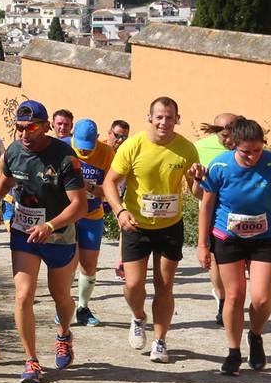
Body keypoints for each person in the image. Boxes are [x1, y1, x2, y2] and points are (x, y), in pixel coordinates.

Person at [0, 100, 88, 383]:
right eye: (19, 128)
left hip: (58, 233)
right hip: (24, 232)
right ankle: (31, 360)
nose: (24, 134)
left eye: (31, 127)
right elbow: (1, 188)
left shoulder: (64, 157)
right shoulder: (13, 152)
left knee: (61, 297)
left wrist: (50, 225)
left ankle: (64, 334)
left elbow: (79, 206)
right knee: (23, 295)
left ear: (46, 126)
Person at [102, 97, 206, 364]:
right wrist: (120, 211)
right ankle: (138, 317)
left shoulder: (186, 149)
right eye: (159, 117)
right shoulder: (133, 145)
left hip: (170, 226)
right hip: (136, 225)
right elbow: (109, 183)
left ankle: (160, 341)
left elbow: (197, 193)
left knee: (165, 286)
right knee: (133, 285)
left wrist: (197, 180)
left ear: (176, 119)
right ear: (149, 118)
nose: (164, 122)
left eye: (169, 117)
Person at [197, 117, 271, 374]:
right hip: (227, 237)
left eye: (257, 150)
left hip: (264, 238)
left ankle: (255, 335)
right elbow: (206, 206)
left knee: (262, 299)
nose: (252, 157)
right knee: (234, 295)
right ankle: (233, 351)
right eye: (245, 152)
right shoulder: (219, 166)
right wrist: (202, 244)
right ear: (233, 146)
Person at [67, 118, 115, 326]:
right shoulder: (62, 147)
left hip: (92, 216)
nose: (84, 153)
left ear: (97, 139)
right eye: (80, 148)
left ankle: (83, 308)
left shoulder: (107, 153)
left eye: (88, 148)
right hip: (67, 216)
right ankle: (64, 306)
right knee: (67, 263)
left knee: (89, 264)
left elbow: (111, 189)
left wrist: (90, 188)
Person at [194, 112, 240, 325]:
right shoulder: (200, 148)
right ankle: (223, 299)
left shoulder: (247, 147)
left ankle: (232, 299)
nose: (228, 140)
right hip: (212, 212)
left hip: (241, 214)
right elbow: (194, 189)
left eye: (232, 133)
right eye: (224, 135)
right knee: (214, 261)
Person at [105, 119, 131, 280]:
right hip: (98, 195)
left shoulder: (126, 152)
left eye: (124, 137)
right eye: (117, 135)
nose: (120, 140)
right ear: (109, 133)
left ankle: (121, 263)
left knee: (125, 226)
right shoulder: (99, 149)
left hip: (117, 196)